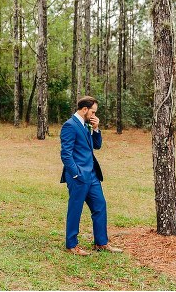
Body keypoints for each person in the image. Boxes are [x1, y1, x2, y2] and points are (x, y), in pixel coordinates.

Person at [60, 96, 122, 256]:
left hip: (92, 176)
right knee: (75, 209)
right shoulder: (70, 126)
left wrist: (96, 129)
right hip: (78, 176)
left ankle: (101, 243)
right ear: (85, 109)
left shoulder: (87, 125)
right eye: (93, 112)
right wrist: (75, 174)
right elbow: (66, 154)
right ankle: (71, 245)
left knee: (100, 206)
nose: (94, 115)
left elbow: (97, 145)